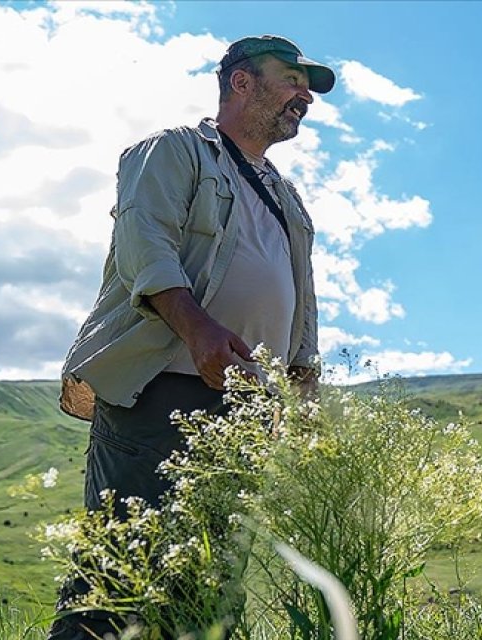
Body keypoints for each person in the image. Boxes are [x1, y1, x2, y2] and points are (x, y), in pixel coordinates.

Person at [48, 34, 334, 640]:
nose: (305, 95)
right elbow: (143, 246)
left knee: (209, 585)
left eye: (307, 86)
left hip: (246, 410)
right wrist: (199, 329)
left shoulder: (288, 199)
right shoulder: (173, 152)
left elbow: (300, 303)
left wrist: (302, 384)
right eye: (292, 79)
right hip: (160, 390)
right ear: (241, 82)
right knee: (120, 572)